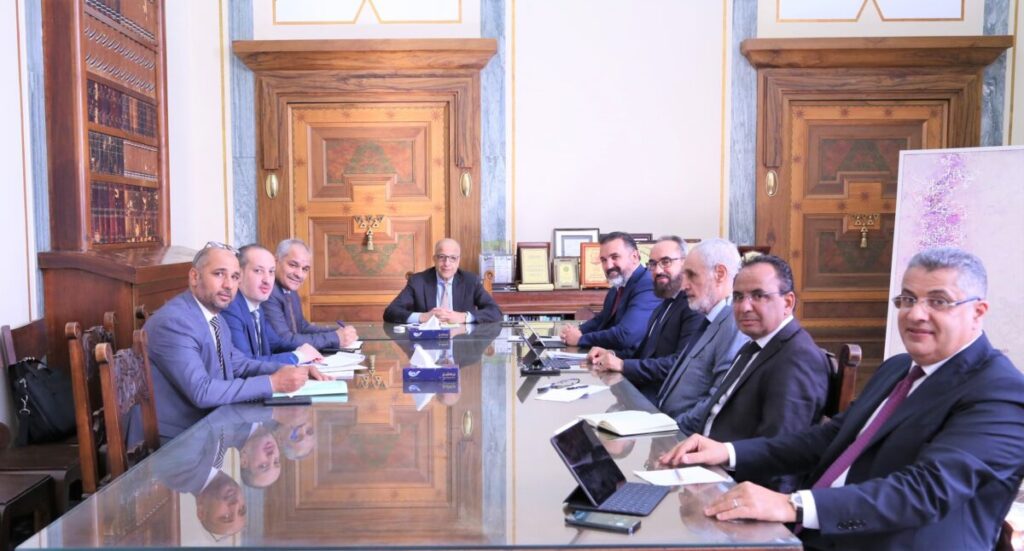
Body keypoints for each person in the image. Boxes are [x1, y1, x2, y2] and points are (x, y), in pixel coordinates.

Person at [659, 247, 1024, 550]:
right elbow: (830, 437)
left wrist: (792, 504)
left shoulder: (1001, 392)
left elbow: (925, 491)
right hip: (821, 531)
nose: (916, 314)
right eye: (907, 299)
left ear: (978, 312)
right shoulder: (898, 368)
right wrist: (728, 452)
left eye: (939, 301)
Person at [143, 242, 320, 440]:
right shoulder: (175, 322)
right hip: (173, 442)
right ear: (194, 277)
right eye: (219, 274)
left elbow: (239, 365)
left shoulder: (215, 317)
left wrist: (296, 370)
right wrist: (272, 383)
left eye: (235, 277)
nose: (228, 285)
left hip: (211, 431)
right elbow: (202, 391)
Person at [695, 254, 829, 492]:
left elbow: (781, 455)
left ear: (788, 302)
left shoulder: (797, 357)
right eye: (738, 297)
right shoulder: (755, 345)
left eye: (758, 296)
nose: (744, 307)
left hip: (736, 487)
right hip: (706, 469)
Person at [587, 236, 705, 402]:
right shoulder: (664, 304)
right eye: (653, 264)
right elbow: (644, 354)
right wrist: (610, 355)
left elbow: (679, 364)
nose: (657, 270)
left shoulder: (693, 307)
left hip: (663, 401)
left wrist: (622, 365)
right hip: (639, 392)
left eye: (666, 262)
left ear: (685, 264)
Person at [654, 238, 748, 432]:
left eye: (691, 275)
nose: (684, 285)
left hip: (683, 435)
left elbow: (717, 400)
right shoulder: (710, 317)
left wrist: (673, 429)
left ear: (720, 274)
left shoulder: (733, 323)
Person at [560, 232, 660, 356]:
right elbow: (602, 320)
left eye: (615, 257)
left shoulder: (647, 285)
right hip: (612, 357)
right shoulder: (617, 287)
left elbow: (626, 335)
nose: (608, 266)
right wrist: (576, 331)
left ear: (635, 256)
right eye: (603, 260)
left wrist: (580, 339)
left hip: (633, 362)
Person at [222, 244, 322, 365]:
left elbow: (277, 344)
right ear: (238, 275)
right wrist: (298, 356)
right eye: (258, 271)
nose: (267, 280)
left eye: (271, 272)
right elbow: (244, 363)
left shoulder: (257, 307)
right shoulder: (230, 308)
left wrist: (304, 351)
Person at [263, 239, 358, 349]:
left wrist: (338, 332)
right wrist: (335, 337)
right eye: (293, 265)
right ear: (276, 261)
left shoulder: (290, 290)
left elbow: (302, 328)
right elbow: (285, 341)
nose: (299, 274)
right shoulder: (268, 293)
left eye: (305, 269)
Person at [383, 238, 502, 324]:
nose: (446, 263)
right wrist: (422, 317)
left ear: (458, 261)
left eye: (452, 258)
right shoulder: (418, 281)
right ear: (434, 259)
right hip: (427, 345)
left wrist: (464, 317)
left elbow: (495, 311)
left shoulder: (470, 281)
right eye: (441, 257)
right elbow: (390, 312)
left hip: (461, 343)